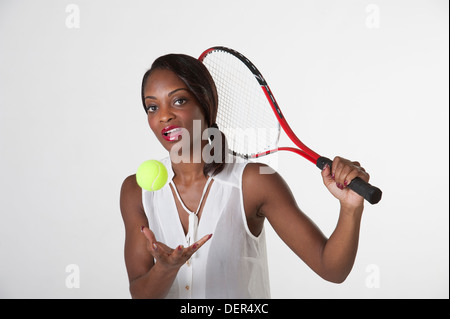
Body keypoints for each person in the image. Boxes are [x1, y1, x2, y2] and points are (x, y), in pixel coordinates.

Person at [120, 53, 371, 299]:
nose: (164, 116)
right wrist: (165, 269)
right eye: (152, 106)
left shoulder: (255, 182)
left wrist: (350, 207)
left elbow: (332, 269)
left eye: (178, 101)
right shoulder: (136, 191)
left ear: (206, 104)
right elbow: (140, 294)